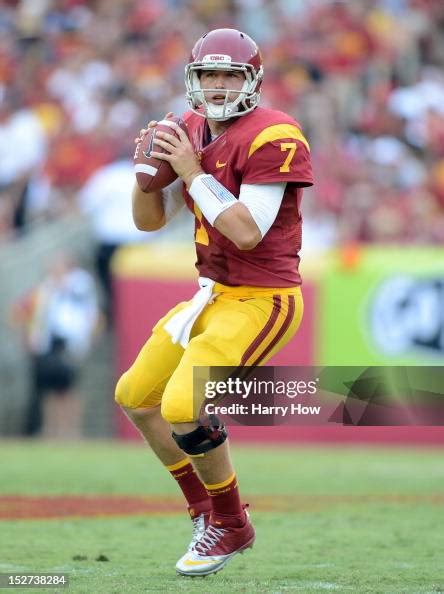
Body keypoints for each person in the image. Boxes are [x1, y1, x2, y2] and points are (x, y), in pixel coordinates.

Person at [115, 28, 313, 577]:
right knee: (136, 396)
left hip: (262, 299)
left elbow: (247, 232)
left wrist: (191, 172)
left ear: (252, 80)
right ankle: (204, 511)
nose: (219, 85)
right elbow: (148, 222)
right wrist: (146, 177)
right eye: (209, 75)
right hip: (213, 295)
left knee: (182, 406)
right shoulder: (187, 129)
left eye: (230, 74)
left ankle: (231, 522)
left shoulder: (275, 133)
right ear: (193, 79)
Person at [13, 253, 100, 438]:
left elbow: (87, 311)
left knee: (69, 387)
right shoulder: (44, 289)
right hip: (48, 343)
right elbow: (27, 311)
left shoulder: (79, 285)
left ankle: (71, 430)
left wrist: (87, 338)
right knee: (49, 388)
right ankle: (51, 429)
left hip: (69, 343)